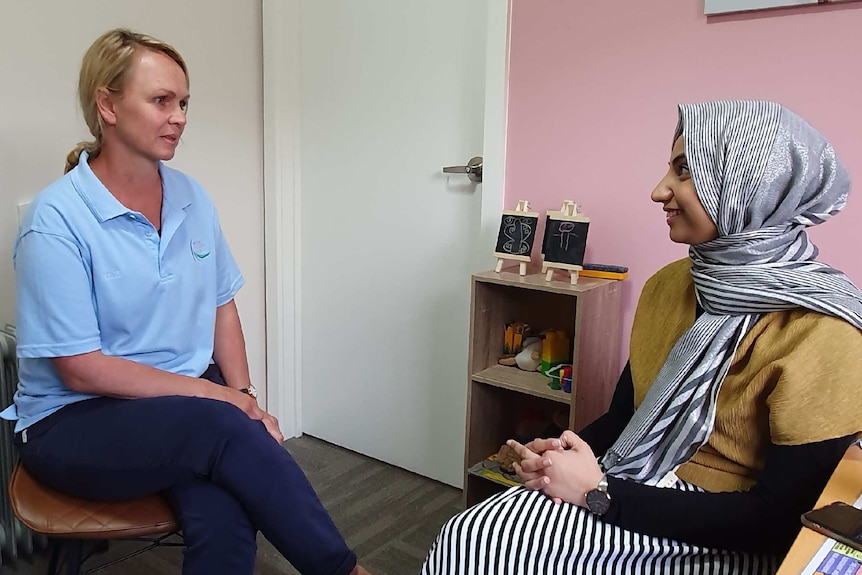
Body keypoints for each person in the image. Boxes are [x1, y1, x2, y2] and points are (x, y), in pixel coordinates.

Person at [421, 100, 862, 574]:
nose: (658, 191)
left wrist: (600, 495)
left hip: (727, 524)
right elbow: (624, 418)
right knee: (474, 532)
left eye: (685, 171)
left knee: (486, 545)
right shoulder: (669, 286)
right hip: (635, 480)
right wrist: (560, 454)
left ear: (750, 186)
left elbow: (780, 520)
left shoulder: (826, 332)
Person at [0, 28, 371, 575]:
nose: (179, 116)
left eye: (183, 103)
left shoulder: (191, 197)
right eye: (161, 101)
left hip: (178, 413)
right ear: (107, 105)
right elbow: (79, 370)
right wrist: (219, 400)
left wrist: (241, 392)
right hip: (73, 422)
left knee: (224, 511)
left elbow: (222, 303)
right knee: (221, 431)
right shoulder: (55, 220)